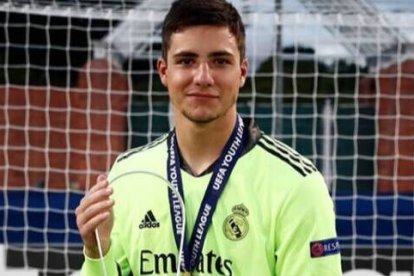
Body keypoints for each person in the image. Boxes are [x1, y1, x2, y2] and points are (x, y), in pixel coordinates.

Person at [75, 0, 342, 275]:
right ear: (164, 71)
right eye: (187, 60)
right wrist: (97, 253)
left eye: (220, 61)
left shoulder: (297, 185)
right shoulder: (128, 175)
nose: (203, 77)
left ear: (242, 72)